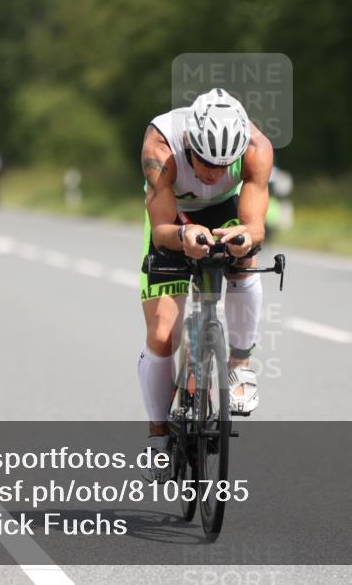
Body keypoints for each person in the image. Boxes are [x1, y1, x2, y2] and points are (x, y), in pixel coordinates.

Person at [138, 88, 273, 481]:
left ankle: (240, 367)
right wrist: (182, 237)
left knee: (244, 260)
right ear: (190, 145)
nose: (214, 172)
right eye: (205, 162)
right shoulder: (160, 148)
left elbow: (255, 224)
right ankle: (158, 435)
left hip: (225, 208)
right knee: (164, 335)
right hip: (172, 214)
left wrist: (247, 238)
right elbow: (161, 228)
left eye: (223, 164)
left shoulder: (256, 149)